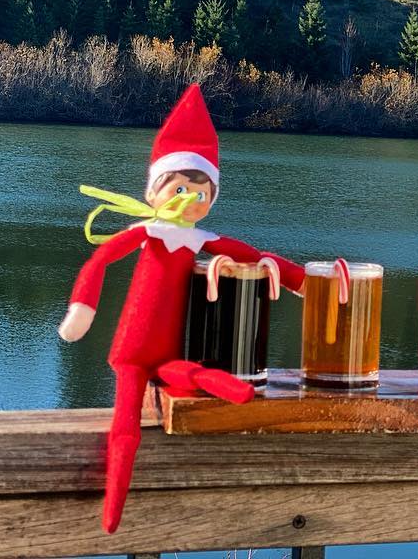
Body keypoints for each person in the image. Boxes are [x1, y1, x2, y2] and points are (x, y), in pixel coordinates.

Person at [57, 83, 304, 534]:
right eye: (179, 187)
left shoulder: (199, 240)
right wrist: (82, 310)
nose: (189, 198)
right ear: (155, 190)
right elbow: (100, 260)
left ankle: (233, 390)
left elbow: (254, 255)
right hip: (132, 351)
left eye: (200, 192)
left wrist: (303, 280)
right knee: (126, 426)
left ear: (211, 198)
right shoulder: (148, 233)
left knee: (184, 372)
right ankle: (112, 511)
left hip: (168, 349)